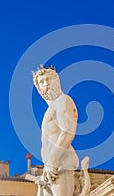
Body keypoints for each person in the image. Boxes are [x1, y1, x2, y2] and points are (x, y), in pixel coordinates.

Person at [32, 66, 79, 196]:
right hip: (51, 166)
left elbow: (68, 132)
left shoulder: (62, 100)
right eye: (41, 82)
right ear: (38, 88)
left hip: (60, 163)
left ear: (57, 81)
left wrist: (53, 159)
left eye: (49, 79)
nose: (46, 84)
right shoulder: (50, 110)